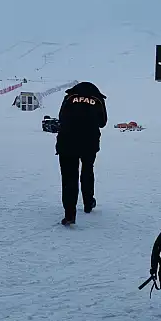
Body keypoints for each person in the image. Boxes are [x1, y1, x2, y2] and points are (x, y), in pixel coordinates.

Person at [55, 81, 107, 225]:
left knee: (69, 178)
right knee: (87, 172)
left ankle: (70, 214)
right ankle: (88, 203)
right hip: (89, 143)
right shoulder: (97, 99)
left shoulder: (69, 97)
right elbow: (103, 122)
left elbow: (62, 117)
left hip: (67, 142)